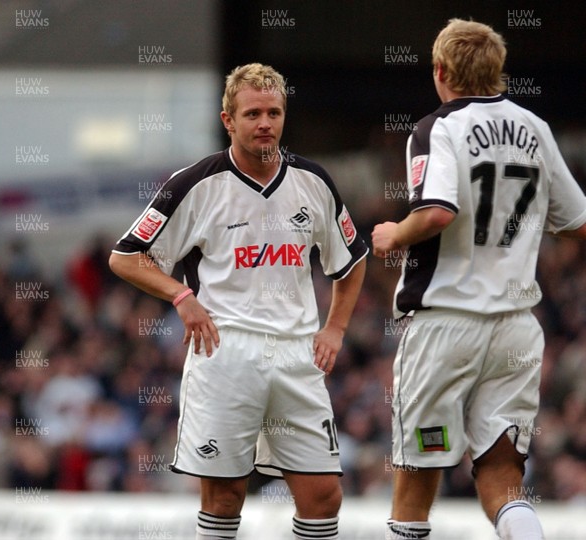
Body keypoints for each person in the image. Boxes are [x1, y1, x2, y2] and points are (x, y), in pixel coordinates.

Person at [109, 63, 367, 540]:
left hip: (297, 353)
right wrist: (181, 295)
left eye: (274, 112)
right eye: (252, 114)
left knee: (323, 494)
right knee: (226, 496)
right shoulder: (194, 184)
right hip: (226, 352)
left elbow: (351, 262)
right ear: (228, 120)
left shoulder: (313, 181)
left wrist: (335, 329)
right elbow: (126, 257)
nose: (265, 123)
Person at [372, 18, 586, 540]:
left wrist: (393, 234)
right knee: (503, 478)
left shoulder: (436, 127)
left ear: (440, 71)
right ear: (499, 71)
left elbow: (437, 212)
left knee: (417, 479)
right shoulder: (535, 127)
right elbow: (577, 222)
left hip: (446, 324)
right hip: (515, 328)